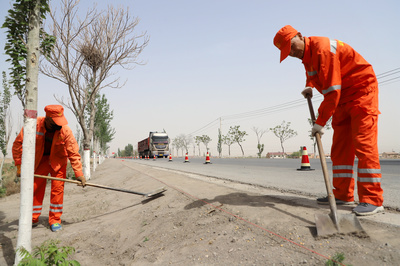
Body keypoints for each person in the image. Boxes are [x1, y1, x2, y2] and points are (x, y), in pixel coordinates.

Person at [273, 25, 384, 216]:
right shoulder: (306, 55)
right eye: (287, 52)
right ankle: (343, 195)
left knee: (363, 145)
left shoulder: (323, 49)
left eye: (292, 47)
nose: (292, 53)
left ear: (300, 36)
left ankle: (372, 200)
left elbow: (332, 91)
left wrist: (320, 122)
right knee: (340, 148)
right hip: (342, 99)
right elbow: (313, 72)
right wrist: (308, 86)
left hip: (361, 93)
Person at [12, 105, 86, 231]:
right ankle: (32, 217)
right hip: (40, 160)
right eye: (56, 121)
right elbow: (18, 144)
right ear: (47, 119)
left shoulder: (65, 131)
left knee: (58, 190)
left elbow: (73, 152)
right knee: (35, 188)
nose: (59, 124)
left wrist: (79, 173)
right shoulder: (33, 126)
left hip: (59, 162)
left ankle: (55, 219)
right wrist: (19, 165)